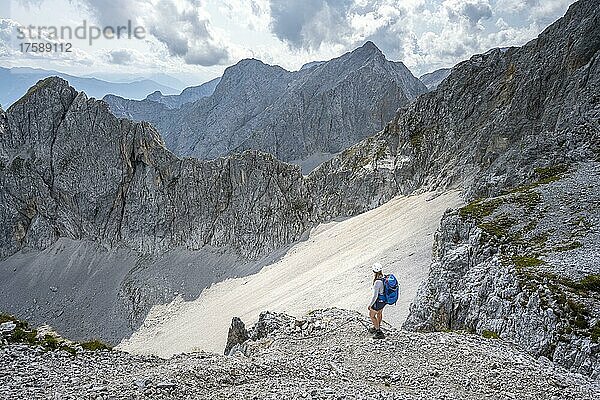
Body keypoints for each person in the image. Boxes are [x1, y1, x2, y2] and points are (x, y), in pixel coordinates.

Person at [368, 263, 386, 339]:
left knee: (372, 315)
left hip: (379, 301)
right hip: (384, 300)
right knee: (379, 313)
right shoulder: (383, 277)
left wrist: (370, 305)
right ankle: (376, 326)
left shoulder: (377, 282)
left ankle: (379, 332)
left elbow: (375, 296)